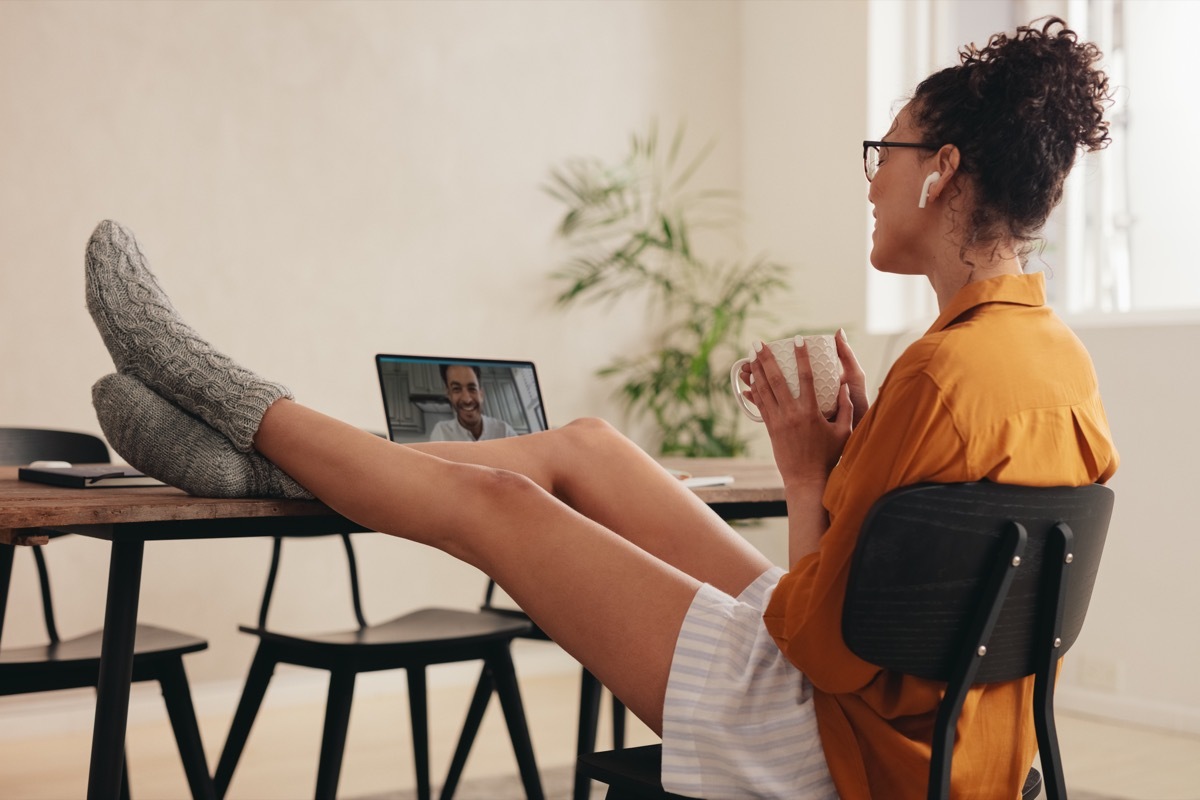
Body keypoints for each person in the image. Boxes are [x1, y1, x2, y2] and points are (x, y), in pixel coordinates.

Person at [84, 16, 1116, 799]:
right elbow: (891, 604)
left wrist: (807, 474)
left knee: (505, 509)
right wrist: (837, 471)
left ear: (938, 174)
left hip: (835, 744)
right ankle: (265, 460)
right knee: (589, 447)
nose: (869, 184)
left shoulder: (938, 374)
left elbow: (822, 643)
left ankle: (218, 388)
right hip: (941, 735)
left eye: (880, 156)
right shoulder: (1048, 360)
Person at [429, 363, 518, 442]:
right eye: (456, 389)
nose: (467, 399)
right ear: (449, 395)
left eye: (472, 388)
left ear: (481, 394)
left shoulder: (504, 432)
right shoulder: (441, 434)